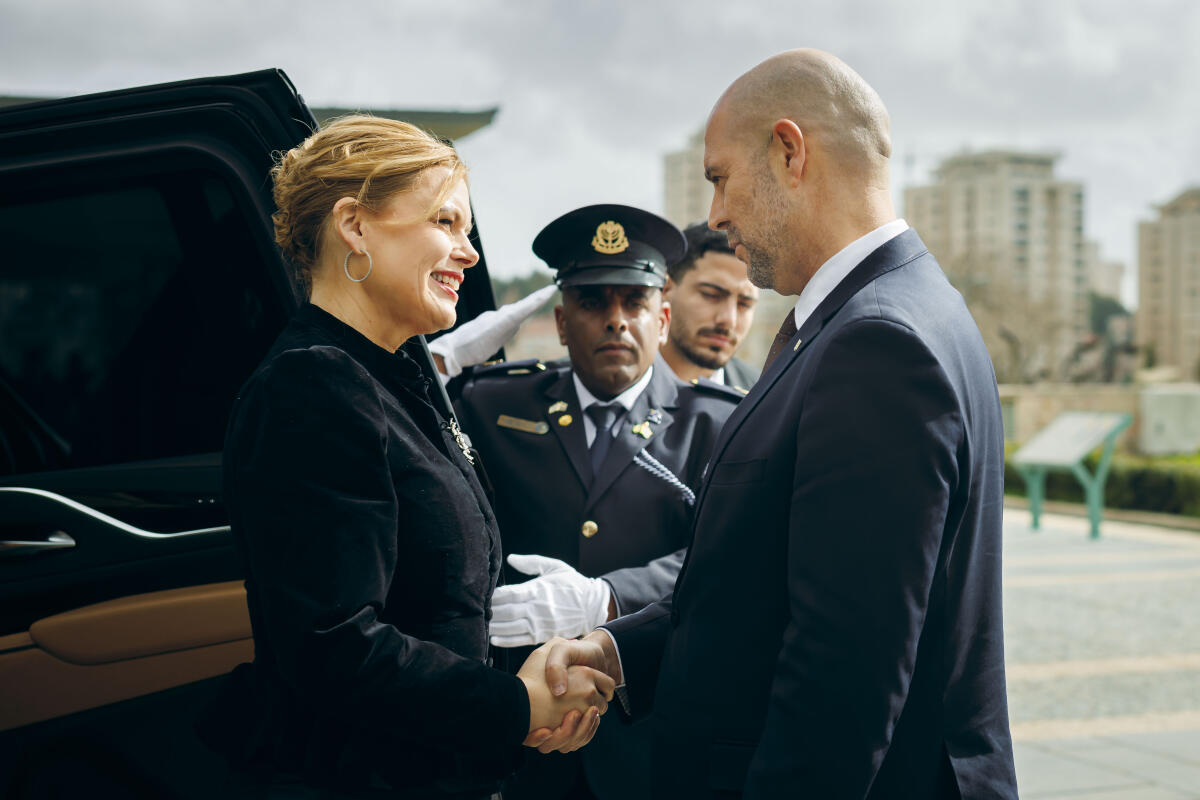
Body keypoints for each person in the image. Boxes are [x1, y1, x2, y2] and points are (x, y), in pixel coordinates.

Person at [542, 50, 1019, 799]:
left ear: (789, 152)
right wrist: (618, 649)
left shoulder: (875, 343)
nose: (715, 214)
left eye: (719, 177)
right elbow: (761, 584)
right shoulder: (884, 311)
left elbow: (843, 672)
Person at [202, 116, 612, 799]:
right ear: (355, 227)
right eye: (445, 222)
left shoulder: (395, 378)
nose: (469, 251)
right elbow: (334, 645)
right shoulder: (312, 386)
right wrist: (512, 707)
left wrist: (539, 675)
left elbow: (436, 611)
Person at [451, 204, 742, 800]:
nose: (616, 321)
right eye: (592, 303)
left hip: (652, 732)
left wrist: (608, 597)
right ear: (561, 322)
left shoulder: (720, 424)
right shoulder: (486, 405)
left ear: (661, 318)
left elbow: (732, 560)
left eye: (632, 303)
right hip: (524, 729)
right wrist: (431, 368)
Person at [661, 222, 761, 391]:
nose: (729, 319)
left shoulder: (763, 394)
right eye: (711, 295)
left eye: (744, 304)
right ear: (666, 289)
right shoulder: (615, 384)